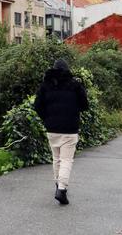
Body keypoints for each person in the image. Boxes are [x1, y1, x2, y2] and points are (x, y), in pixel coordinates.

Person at [34, 59, 89, 205]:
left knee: (56, 158)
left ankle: (58, 185)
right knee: (66, 160)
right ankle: (62, 189)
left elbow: (37, 105)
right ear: (67, 70)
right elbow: (85, 105)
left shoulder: (45, 85)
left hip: (52, 128)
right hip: (70, 128)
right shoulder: (75, 85)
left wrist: (47, 118)